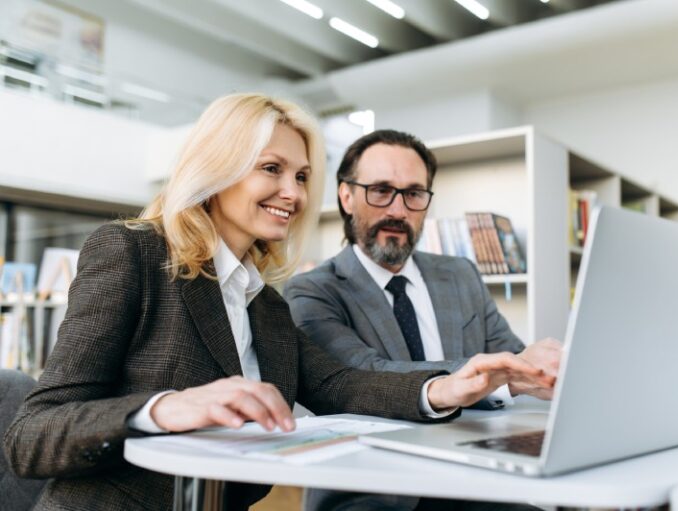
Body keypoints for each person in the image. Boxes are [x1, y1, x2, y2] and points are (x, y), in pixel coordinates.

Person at [3, 94, 555, 511]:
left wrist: (446, 387)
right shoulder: (132, 253)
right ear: (217, 166)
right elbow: (32, 435)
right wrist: (163, 407)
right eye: (271, 168)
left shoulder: (264, 303)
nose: (291, 193)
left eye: (300, 176)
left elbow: (339, 384)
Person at [284, 129, 561, 511]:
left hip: (472, 480)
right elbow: (363, 375)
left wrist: (545, 370)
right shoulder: (311, 291)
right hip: (371, 492)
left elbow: (514, 358)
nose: (398, 210)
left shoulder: (460, 274)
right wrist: (506, 374)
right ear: (346, 197)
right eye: (380, 190)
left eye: (413, 194)